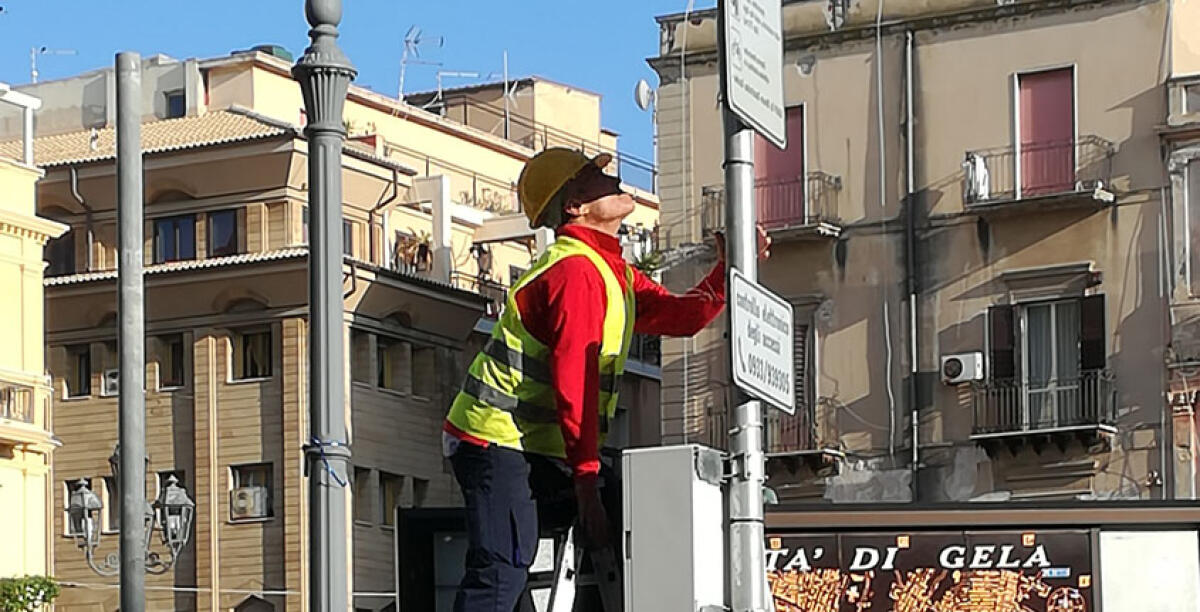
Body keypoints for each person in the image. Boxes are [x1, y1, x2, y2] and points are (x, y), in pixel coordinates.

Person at [442, 147, 765, 612]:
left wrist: (729, 271)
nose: (611, 179)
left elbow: (680, 316)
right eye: (593, 176)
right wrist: (586, 483)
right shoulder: (576, 274)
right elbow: (576, 383)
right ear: (574, 205)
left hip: (528, 444)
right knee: (501, 567)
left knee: (623, 512)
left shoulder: (609, 270)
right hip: (492, 441)